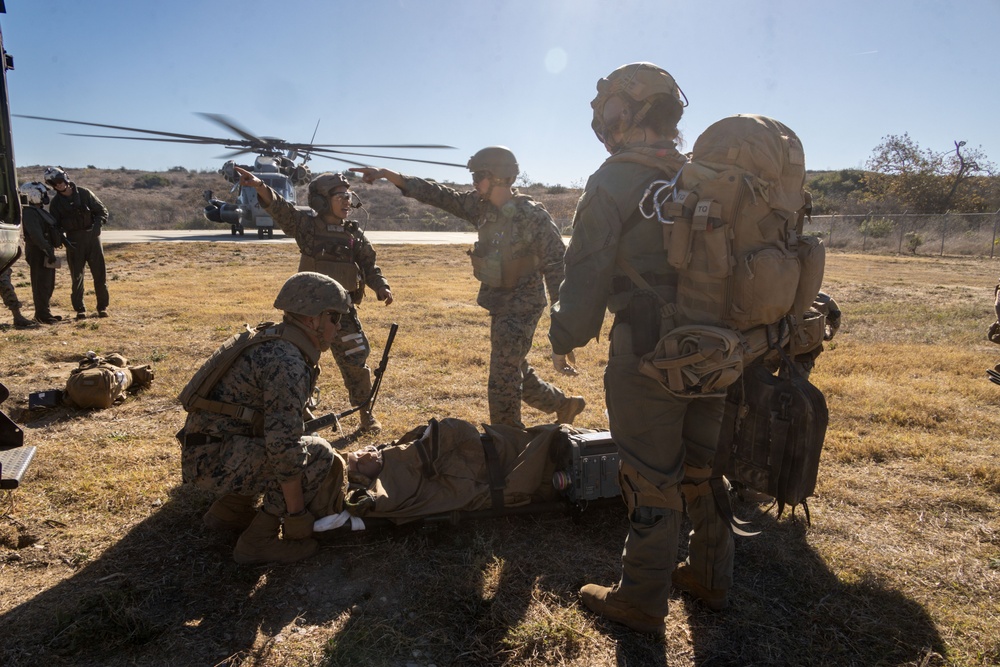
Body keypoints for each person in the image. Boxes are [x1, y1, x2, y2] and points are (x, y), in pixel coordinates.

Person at [548, 62, 734, 635]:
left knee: (652, 475)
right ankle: (710, 575)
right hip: (717, 348)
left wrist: (564, 336)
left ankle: (641, 600)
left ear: (626, 113)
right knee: (703, 470)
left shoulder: (613, 179)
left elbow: (585, 274)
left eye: (607, 112)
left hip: (649, 348)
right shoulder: (706, 175)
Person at [354, 150, 585, 429]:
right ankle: (563, 405)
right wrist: (391, 176)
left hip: (523, 305)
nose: (474, 182)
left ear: (498, 177)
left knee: (503, 375)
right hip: (499, 302)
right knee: (513, 366)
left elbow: (557, 267)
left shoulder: (532, 216)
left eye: (478, 176)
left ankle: (507, 441)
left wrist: (563, 329)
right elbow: (438, 194)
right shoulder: (480, 206)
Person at [179, 272, 351, 564]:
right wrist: (296, 515)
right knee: (319, 453)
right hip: (214, 457)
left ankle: (229, 511)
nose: (338, 327)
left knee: (294, 438)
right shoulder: (287, 362)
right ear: (312, 320)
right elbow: (284, 449)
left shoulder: (273, 339)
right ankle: (258, 541)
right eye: (334, 318)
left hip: (208, 447)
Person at [234, 166, 390, 434]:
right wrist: (260, 186)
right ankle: (300, 411)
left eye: (348, 195)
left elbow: (369, 266)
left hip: (341, 314)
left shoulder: (353, 234)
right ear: (320, 201)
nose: (347, 201)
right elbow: (281, 209)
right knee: (297, 362)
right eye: (339, 195)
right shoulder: (307, 228)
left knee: (355, 361)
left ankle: (365, 414)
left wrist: (381, 286)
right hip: (305, 314)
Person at [44, 167, 110, 320]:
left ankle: (102, 307)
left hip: (93, 239)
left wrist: (97, 226)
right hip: (73, 241)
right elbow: (55, 226)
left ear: (66, 178)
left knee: (100, 275)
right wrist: (63, 241)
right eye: (54, 184)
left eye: (60, 181)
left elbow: (102, 211)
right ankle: (80, 309)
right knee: (77, 277)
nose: (59, 185)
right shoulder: (56, 204)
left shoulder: (85, 193)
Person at [18, 181, 63, 324]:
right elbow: (37, 236)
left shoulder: (38, 211)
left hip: (44, 250)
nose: (45, 196)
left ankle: (45, 312)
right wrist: (48, 251)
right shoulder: (29, 213)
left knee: (48, 284)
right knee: (41, 284)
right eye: (43, 193)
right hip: (38, 251)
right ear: (34, 195)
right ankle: (42, 315)